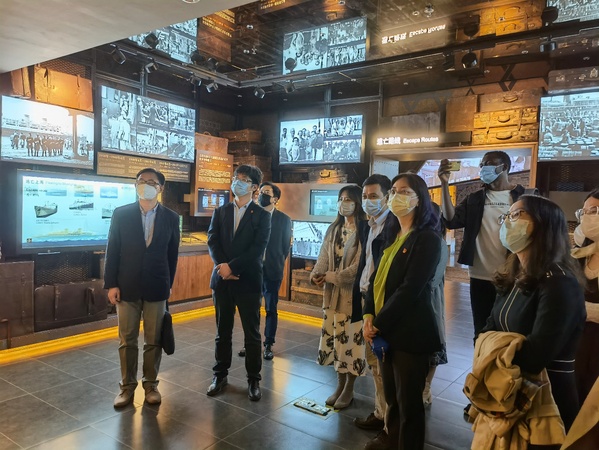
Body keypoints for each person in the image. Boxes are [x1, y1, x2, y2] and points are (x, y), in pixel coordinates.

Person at [481, 194, 586, 431]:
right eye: (507, 216)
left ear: (543, 224)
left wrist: (491, 353)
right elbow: (489, 326)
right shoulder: (514, 273)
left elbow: (536, 355)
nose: (508, 222)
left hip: (545, 401)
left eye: (516, 215)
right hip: (508, 389)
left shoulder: (560, 283)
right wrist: (490, 347)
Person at [363, 173, 443, 450]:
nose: (397, 196)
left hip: (410, 333)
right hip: (384, 330)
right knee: (393, 399)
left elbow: (411, 289)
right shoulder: (391, 234)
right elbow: (376, 278)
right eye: (394, 191)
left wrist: (378, 324)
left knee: (409, 405)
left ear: (420, 199)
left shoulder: (427, 239)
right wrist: (368, 315)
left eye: (405, 191)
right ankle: (391, 440)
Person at [104, 168, 180, 408]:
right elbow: (112, 250)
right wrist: (111, 284)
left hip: (157, 286)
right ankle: (127, 387)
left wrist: (169, 284)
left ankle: (151, 385)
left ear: (160, 188)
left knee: (153, 339)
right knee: (127, 339)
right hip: (126, 286)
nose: (145, 185)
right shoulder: (121, 214)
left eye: (151, 182)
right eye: (141, 181)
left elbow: (172, 256)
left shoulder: (171, 217)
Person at [438, 151, 526, 339]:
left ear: (504, 167)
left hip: (513, 275)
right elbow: (451, 220)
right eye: (482, 164)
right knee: (481, 329)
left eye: (489, 163)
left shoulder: (523, 197)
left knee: (511, 329)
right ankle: (480, 357)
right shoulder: (475, 199)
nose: (483, 168)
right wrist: (445, 184)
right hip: (480, 275)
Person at [206, 165, 271, 402]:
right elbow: (212, 241)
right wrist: (223, 267)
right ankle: (219, 375)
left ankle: (253, 379)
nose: (237, 182)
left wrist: (232, 267)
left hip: (248, 281)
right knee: (222, 332)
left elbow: (257, 248)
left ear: (254, 187)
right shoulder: (221, 211)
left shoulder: (262, 215)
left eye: (243, 179)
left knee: (252, 334)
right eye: (236, 178)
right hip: (222, 281)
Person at [311, 184, 367, 410]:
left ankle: (349, 388)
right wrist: (317, 274)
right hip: (332, 297)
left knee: (351, 344)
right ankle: (339, 384)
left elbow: (359, 266)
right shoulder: (334, 228)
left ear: (357, 203)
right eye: (341, 199)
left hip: (352, 297)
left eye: (349, 199)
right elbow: (323, 256)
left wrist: (333, 276)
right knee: (336, 342)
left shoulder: (364, 230)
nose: (344, 203)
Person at [352, 174, 396, 436]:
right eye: (365, 196)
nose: (368, 201)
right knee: (374, 363)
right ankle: (381, 413)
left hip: (382, 303)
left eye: (374, 196)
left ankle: (390, 425)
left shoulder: (394, 225)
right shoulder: (369, 225)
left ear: (387, 197)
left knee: (384, 365)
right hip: (366, 298)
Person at [238, 182, 292, 360]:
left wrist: (274, 262)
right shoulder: (252, 215)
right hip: (252, 270)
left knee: (270, 308)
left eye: (266, 192)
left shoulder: (283, 219)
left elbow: (285, 247)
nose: (262, 195)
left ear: (275, 198)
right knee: (251, 308)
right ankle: (250, 342)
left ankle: (268, 344)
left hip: (272, 271)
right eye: (261, 192)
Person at [571, 188, 599, 404]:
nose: (588, 216)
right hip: (577, 340)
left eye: (595, 210)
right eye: (585, 211)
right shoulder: (579, 253)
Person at [423, 203, 449, 407]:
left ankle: (426, 387)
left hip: (429, 301)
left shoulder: (439, 243)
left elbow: (433, 280)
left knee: (433, 347)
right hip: (414, 301)